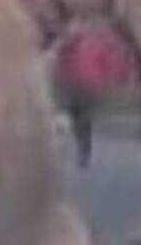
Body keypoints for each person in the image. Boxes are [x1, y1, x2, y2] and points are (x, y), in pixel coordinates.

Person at [53, 10, 133, 170]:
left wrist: (111, 78)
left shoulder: (96, 40)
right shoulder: (69, 42)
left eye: (79, 24)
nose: (76, 27)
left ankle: (83, 149)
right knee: (76, 116)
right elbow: (62, 59)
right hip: (73, 83)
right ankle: (81, 145)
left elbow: (106, 59)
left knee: (82, 117)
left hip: (88, 84)